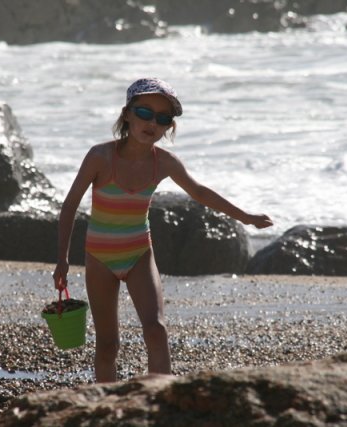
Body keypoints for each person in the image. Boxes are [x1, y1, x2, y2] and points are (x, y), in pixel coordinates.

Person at [52, 77, 273, 382]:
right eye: (144, 113)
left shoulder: (164, 162)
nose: (152, 123)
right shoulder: (100, 157)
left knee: (156, 329)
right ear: (127, 114)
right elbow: (69, 206)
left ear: (169, 126)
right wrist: (62, 259)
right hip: (100, 258)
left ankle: (161, 398)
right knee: (107, 344)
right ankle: (106, 402)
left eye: (163, 118)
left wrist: (245, 216)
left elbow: (199, 192)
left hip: (139, 254)